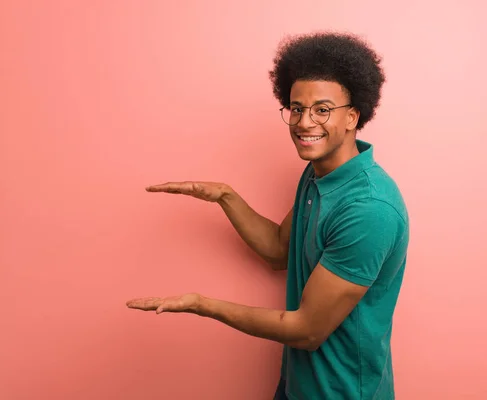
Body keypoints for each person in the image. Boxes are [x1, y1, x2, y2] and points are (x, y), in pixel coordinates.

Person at [126, 31, 410, 400]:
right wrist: (225, 196)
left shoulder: (369, 209)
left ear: (353, 116)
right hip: (298, 387)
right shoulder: (318, 173)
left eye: (322, 109)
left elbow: (307, 330)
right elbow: (279, 250)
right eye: (296, 108)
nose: (305, 122)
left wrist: (201, 304)